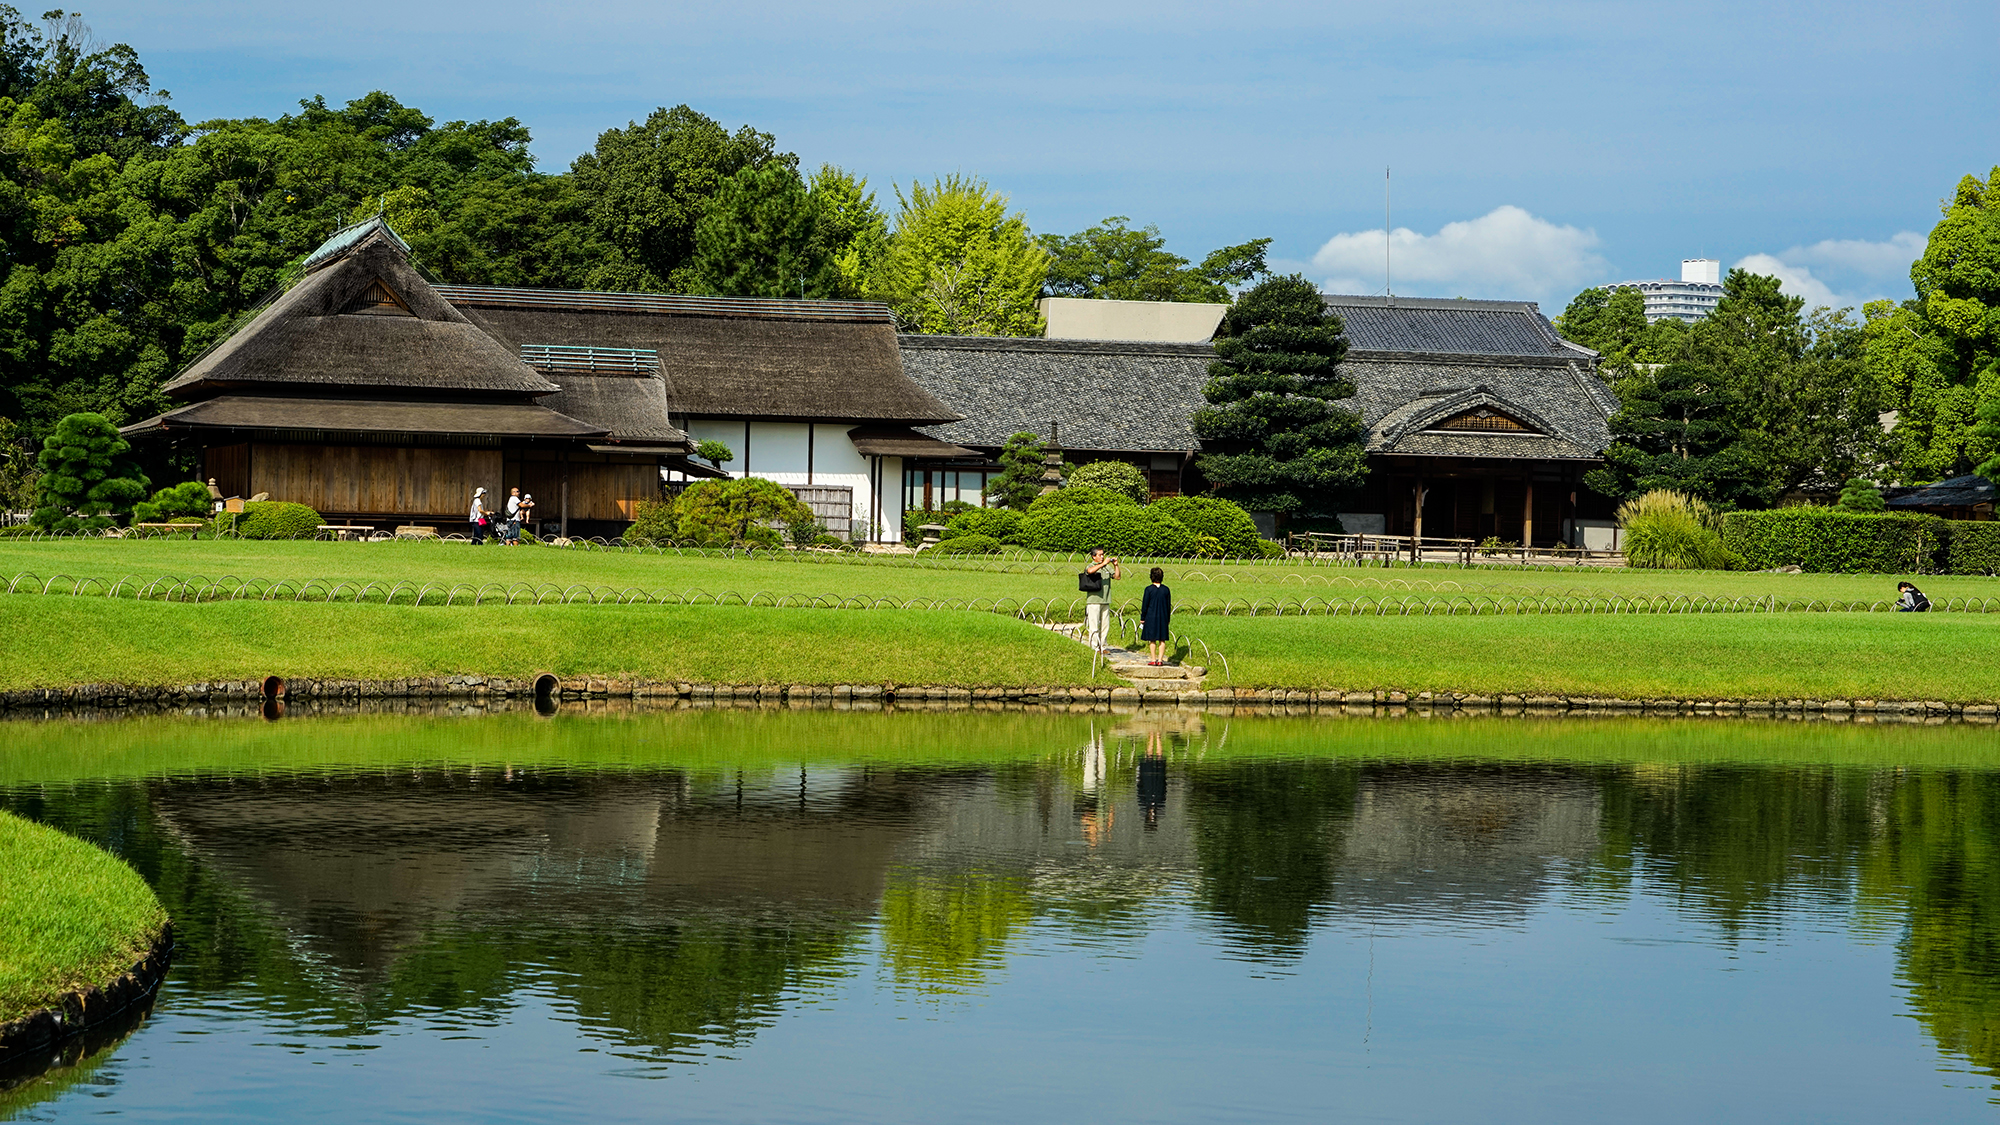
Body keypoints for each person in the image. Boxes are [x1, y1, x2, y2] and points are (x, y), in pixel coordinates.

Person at [1083, 547, 1122, 652]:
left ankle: (1103, 646)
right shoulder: (1091, 565)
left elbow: (1117, 577)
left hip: (1105, 599)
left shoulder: (1106, 568)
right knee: (1094, 625)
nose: (1102, 556)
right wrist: (1103, 563)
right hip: (1094, 600)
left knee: (1105, 625)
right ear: (1093, 556)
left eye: (1103, 554)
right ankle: (1094, 647)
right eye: (1100, 555)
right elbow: (1090, 571)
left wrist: (1116, 565)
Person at [1140, 566, 1172, 665]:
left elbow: (1145, 604)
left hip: (1151, 617)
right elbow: (1168, 605)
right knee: (1162, 639)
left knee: (1152, 639)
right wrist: (1168, 618)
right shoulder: (1166, 590)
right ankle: (1160, 660)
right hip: (1163, 617)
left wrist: (1142, 617)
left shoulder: (1148, 589)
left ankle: (1153, 659)